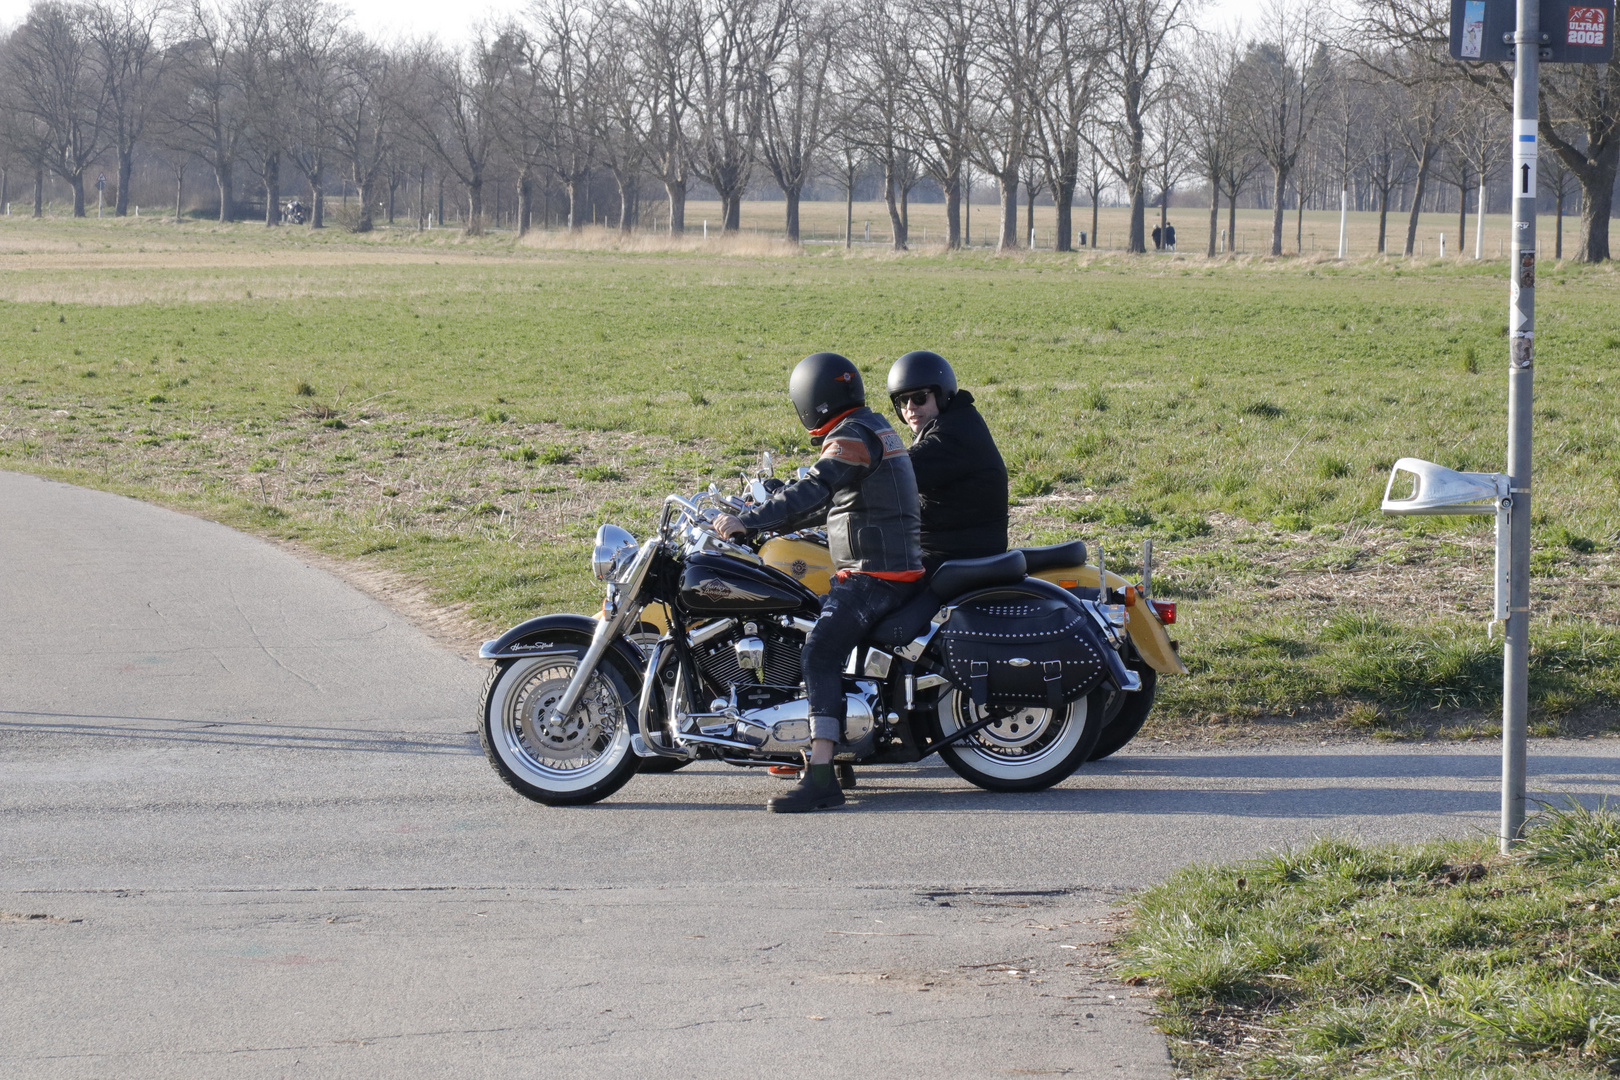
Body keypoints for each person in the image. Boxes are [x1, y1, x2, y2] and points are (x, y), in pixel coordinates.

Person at [714, 352, 924, 813]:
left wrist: (747, 520)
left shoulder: (850, 436)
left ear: (812, 399)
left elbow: (814, 488)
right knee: (805, 623)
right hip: (887, 569)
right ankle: (835, 750)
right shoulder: (869, 428)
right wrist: (768, 523)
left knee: (820, 650)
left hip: (876, 576)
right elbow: (830, 500)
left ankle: (823, 776)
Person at [886, 350, 1008, 575]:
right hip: (943, 549)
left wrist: (848, 474)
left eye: (920, 398)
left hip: (959, 556)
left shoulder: (954, 434)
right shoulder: (949, 423)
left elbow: (897, 471)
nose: (910, 407)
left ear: (942, 395)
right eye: (903, 400)